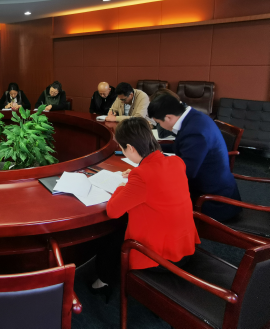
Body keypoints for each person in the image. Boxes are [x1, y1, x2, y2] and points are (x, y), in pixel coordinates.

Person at [92, 117, 200, 296]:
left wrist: (123, 186)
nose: (122, 151)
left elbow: (113, 211)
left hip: (162, 258)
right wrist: (135, 175)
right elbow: (158, 183)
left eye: (122, 148)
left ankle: (104, 280)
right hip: (184, 247)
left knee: (111, 236)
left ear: (131, 148)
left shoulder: (142, 176)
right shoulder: (176, 162)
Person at [148, 93, 242, 221]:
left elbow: (184, 172)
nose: (160, 125)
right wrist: (154, 148)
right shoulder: (193, 117)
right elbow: (182, 147)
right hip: (210, 187)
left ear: (168, 117)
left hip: (212, 201)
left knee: (154, 202)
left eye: (158, 122)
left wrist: (150, 164)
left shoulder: (195, 131)